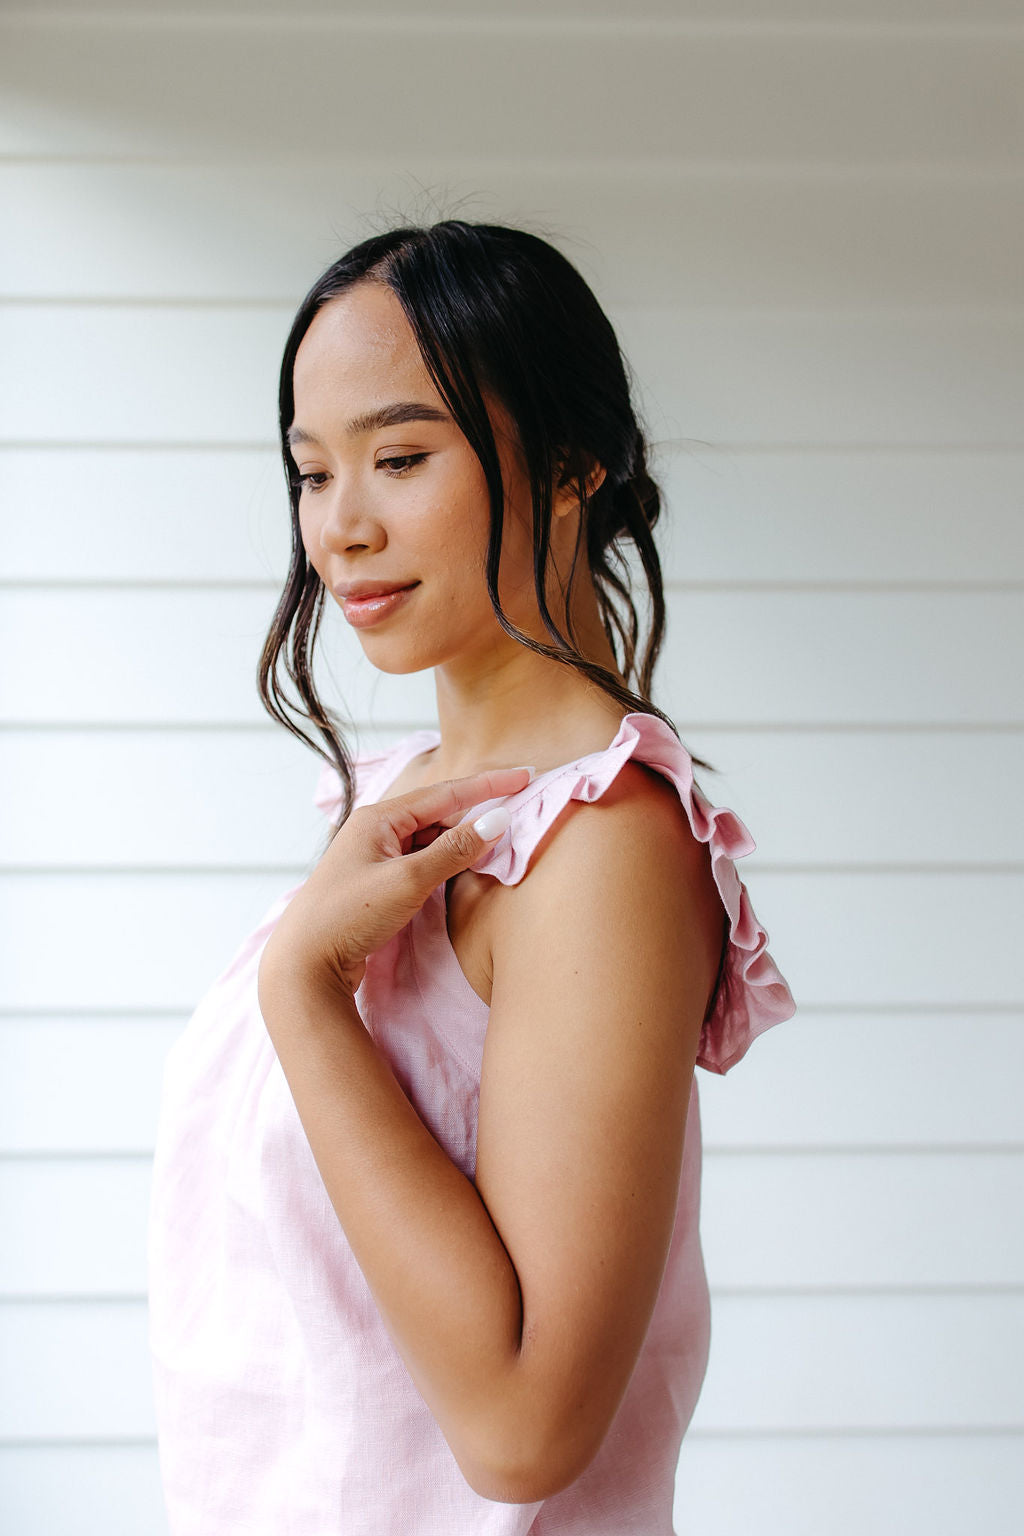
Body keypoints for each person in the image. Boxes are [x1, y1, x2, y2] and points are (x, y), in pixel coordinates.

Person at [147, 219, 797, 1534]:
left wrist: (308, 1002)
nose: (341, 526)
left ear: (570, 463)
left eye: (398, 458)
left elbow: (524, 1429)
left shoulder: (601, 847)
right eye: (310, 472)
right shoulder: (396, 810)